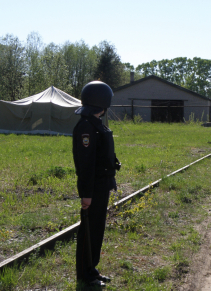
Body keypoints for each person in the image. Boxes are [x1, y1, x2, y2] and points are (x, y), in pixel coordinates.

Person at [73, 81, 121, 288]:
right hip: (93, 188)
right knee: (88, 231)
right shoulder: (85, 127)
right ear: (102, 102)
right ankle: (85, 275)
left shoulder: (95, 124)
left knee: (97, 229)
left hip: (102, 185)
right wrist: (86, 193)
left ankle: (92, 269)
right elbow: (85, 164)